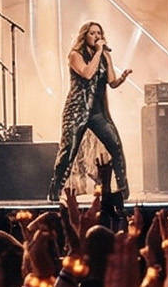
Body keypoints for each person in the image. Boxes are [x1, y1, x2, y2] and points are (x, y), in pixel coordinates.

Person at [48, 21, 132, 202]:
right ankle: (54, 190)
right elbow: (87, 73)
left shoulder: (104, 57)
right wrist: (99, 53)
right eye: (93, 33)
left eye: (99, 33)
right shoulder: (75, 55)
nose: (97, 37)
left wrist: (122, 78)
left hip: (98, 113)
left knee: (116, 146)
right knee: (68, 152)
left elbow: (111, 82)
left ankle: (123, 190)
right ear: (84, 35)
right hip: (77, 110)